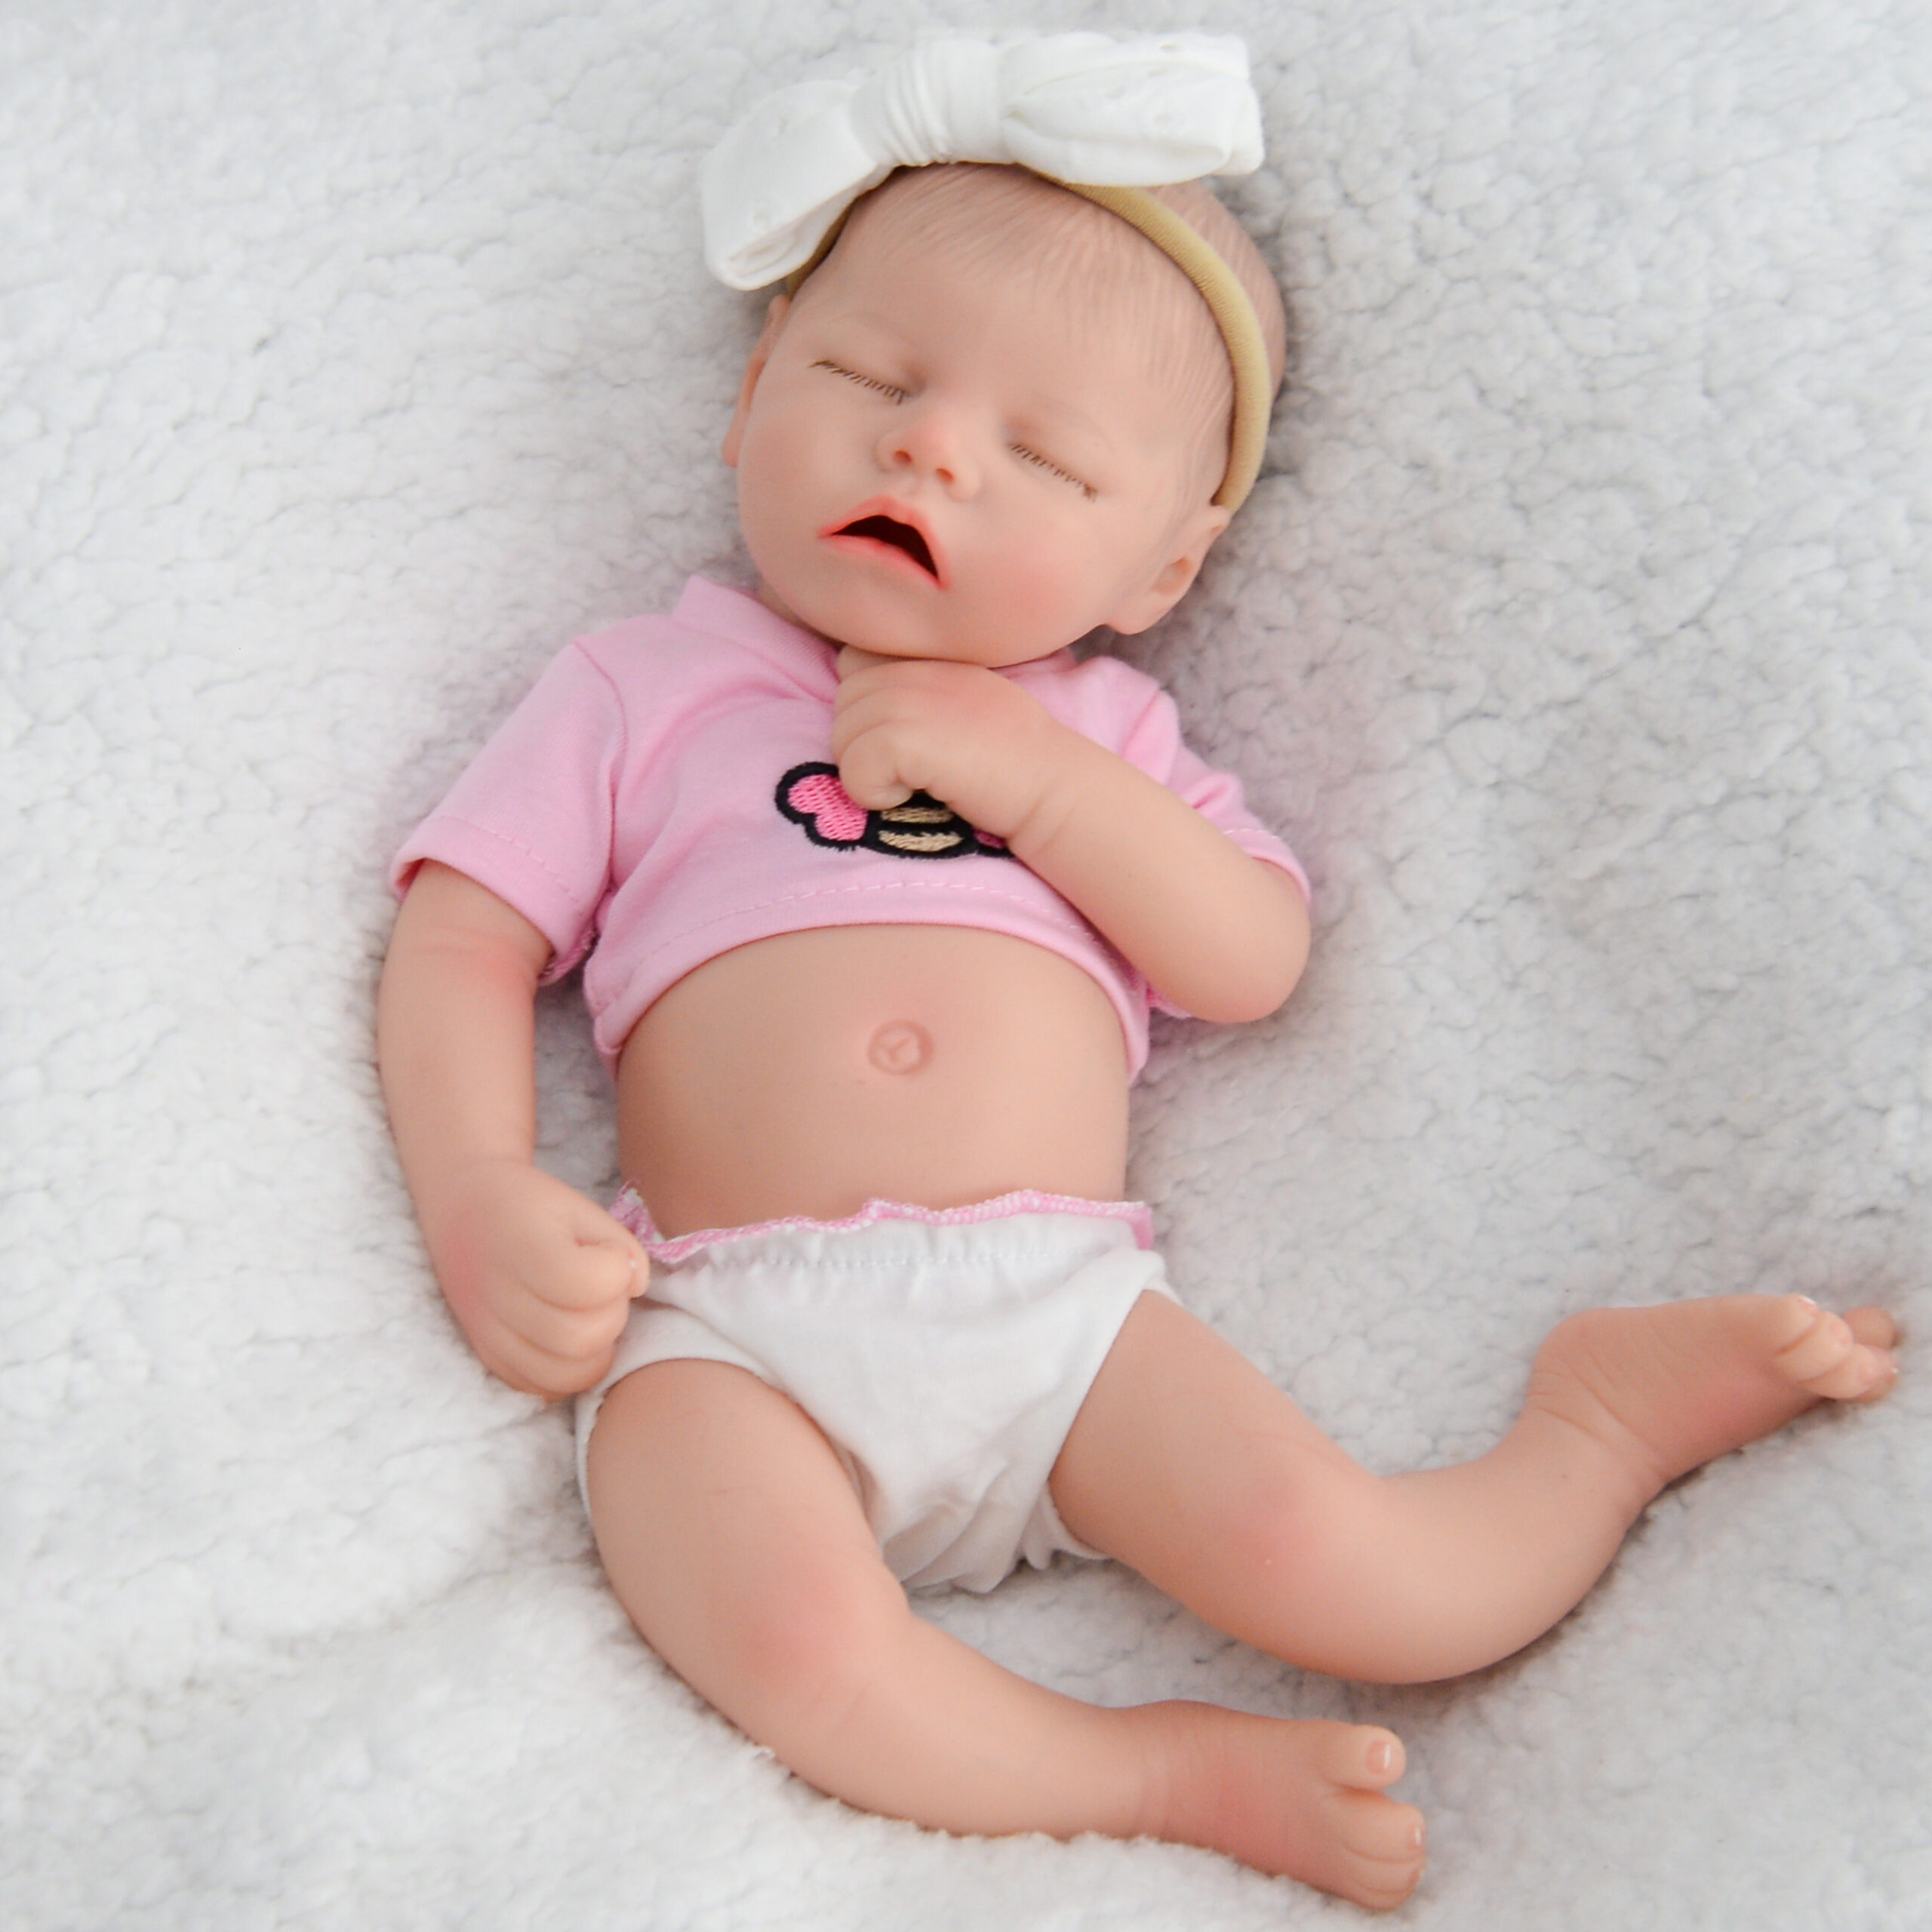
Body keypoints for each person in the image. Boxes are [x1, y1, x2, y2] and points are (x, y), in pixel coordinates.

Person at [376, 38, 1897, 1909]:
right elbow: (463, 931)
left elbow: (1247, 955)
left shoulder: (1103, 731)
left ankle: (1589, 1432)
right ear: (754, 392)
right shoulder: (640, 687)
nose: (933, 447)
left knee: (1380, 1586)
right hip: (721, 1323)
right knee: (784, 1642)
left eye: (1044, 456)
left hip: (1057, 1312)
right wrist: (475, 1189)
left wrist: (1036, 782)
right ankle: (1149, 1769)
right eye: (870, 379)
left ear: (1161, 566)